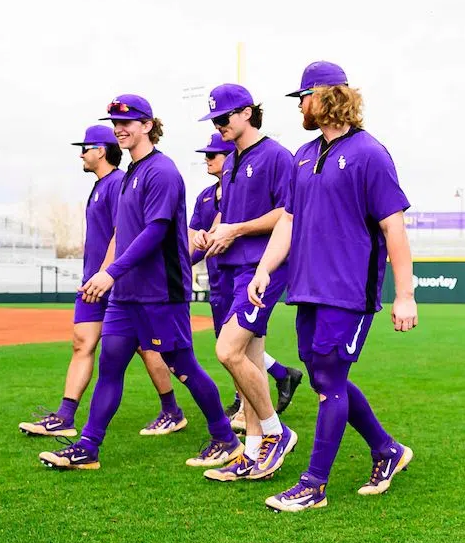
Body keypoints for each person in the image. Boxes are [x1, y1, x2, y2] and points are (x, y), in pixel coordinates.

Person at [245, 61, 420, 512]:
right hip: (306, 288)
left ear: (328, 96)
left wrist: (405, 294)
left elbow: (393, 227)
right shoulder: (303, 156)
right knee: (326, 377)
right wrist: (264, 268)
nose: (300, 106)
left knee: (328, 383)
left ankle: (313, 485)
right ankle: (387, 450)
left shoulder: (370, 154)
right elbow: (288, 218)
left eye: (304, 96)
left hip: (347, 292)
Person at [40, 96, 236, 470]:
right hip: (126, 296)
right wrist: (110, 276)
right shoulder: (130, 173)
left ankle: (225, 438)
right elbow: (123, 235)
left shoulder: (162, 171)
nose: (119, 127)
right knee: (110, 366)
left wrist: (110, 272)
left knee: (185, 368)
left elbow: (155, 232)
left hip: (161, 292)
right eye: (114, 122)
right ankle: (88, 447)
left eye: (126, 122)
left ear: (148, 125)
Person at [196, 83, 304, 484]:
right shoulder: (231, 161)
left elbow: (288, 216)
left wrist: (237, 229)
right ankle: (254, 451)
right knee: (251, 359)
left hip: (266, 267)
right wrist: (212, 234)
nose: (219, 126)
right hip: (237, 268)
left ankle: (277, 432)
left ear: (246, 113)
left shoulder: (276, 156)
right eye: (214, 120)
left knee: (227, 350)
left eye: (223, 118)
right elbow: (229, 218)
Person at [21, 122, 124, 440]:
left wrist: (105, 274)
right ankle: (65, 416)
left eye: (84, 148)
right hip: (92, 282)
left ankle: (172, 410)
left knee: (152, 351)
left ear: (101, 151)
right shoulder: (98, 186)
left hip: (115, 282)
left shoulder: (118, 183)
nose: (80, 154)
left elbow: (123, 234)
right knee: (81, 343)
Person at [182, 132, 245, 470]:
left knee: (238, 346)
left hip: (242, 275)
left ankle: (248, 406)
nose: (208, 159)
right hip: (218, 279)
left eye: (214, 154)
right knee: (227, 345)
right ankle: (248, 397)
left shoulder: (238, 189)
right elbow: (193, 235)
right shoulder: (206, 196)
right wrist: (188, 255)